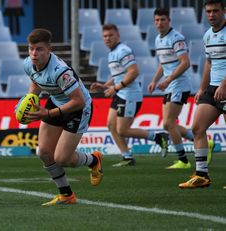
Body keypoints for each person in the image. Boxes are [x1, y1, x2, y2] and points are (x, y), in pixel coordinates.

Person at [22, 28, 103, 206]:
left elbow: (79, 101)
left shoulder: (60, 71)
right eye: (31, 49)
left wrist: (48, 113)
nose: (34, 53)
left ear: (49, 49)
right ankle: (67, 195)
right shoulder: (28, 63)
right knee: (43, 152)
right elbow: (35, 82)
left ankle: (94, 160)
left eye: (39, 49)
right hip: (56, 102)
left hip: (78, 109)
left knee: (62, 159)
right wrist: (31, 101)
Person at [90, 24, 169, 167]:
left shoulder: (123, 50)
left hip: (130, 95)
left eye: (111, 35)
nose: (107, 38)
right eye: (105, 36)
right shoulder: (112, 52)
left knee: (122, 130)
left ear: (118, 36)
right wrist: (105, 86)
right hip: (121, 92)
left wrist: (115, 88)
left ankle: (158, 137)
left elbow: (133, 72)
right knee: (111, 125)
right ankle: (127, 157)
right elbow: (119, 75)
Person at [179, 0, 225, 189]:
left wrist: (224, 84)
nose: (211, 15)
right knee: (197, 128)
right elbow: (208, 63)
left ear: (224, 11)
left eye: (215, 11)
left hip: (225, 86)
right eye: (208, 11)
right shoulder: (207, 35)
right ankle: (202, 175)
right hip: (213, 88)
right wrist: (202, 88)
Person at [147, 8, 199, 169]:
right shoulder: (158, 39)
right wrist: (155, 80)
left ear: (169, 20)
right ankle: (201, 140)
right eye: (157, 20)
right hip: (170, 85)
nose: (159, 23)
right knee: (167, 125)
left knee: (169, 123)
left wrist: (168, 79)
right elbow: (163, 64)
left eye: (162, 19)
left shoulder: (176, 38)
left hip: (179, 85)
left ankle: (183, 160)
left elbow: (185, 62)